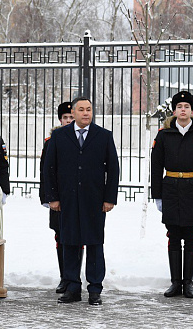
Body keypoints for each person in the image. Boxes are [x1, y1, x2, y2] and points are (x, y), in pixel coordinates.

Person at [42, 97, 120, 305]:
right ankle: (72, 287)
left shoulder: (103, 136)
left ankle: (95, 289)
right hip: (67, 200)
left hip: (94, 200)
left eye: (89, 110)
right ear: (73, 113)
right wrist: (53, 197)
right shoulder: (59, 136)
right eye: (82, 110)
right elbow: (49, 168)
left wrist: (109, 198)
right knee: (70, 243)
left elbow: (113, 170)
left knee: (94, 243)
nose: (86, 113)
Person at [151, 90, 193, 298]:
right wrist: (157, 195)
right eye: (179, 107)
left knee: (190, 236)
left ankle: (188, 283)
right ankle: (175, 283)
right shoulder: (164, 135)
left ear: (192, 110)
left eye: (187, 106)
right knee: (172, 236)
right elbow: (156, 166)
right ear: (174, 110)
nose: (183, 110)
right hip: (170, 188)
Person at [39, 101, 77, 294]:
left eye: (71, 118)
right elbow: (45, 170)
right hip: (58, 197)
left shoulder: (82, 138)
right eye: (65, 118)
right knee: (60, 236)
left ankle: (75, 277)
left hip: (78, 196)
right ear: (60, 120)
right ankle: (64, 277)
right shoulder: (51, 140)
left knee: (77, 237)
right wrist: (47, 196)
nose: (69, 121)